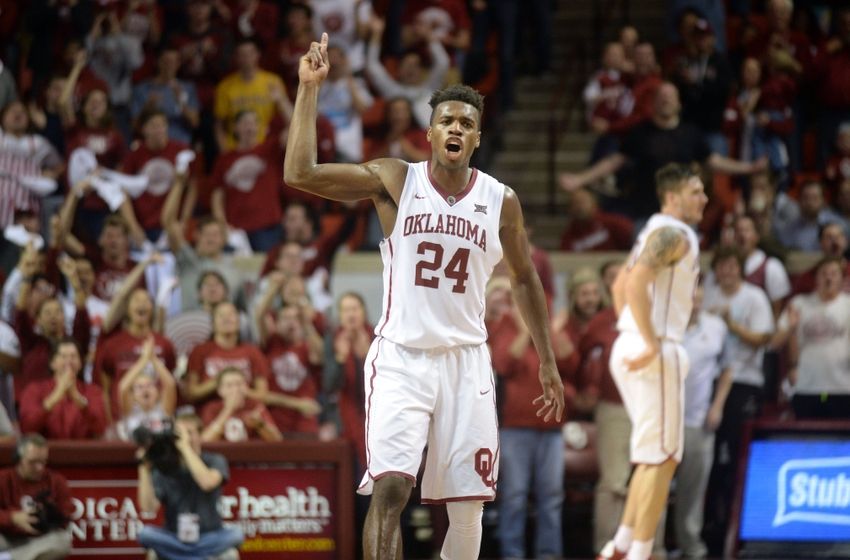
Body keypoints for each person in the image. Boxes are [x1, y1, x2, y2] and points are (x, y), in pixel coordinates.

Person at [284, 34, 564, 559]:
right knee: (391, 488)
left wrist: (546, 358)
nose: (456, 128)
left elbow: (525, 279)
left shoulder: (500, 201)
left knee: (468, 509)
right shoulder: (395, 179)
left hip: (466, 361)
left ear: (477, 138)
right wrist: (307, 90)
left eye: (467, 123)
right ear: (430, 132)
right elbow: (299, 174)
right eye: (447, 121)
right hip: (402, 360)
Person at [598, 163, 707, 560]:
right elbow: (639, 280)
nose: (705, 198)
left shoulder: (652, 230)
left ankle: (621, 545)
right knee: (664, 457)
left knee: (651, 455)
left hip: (630, 342)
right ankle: (641, 552)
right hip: (655, 346)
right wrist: (648, 339)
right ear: (673, 197)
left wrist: (630, 330)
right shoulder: (674, 234)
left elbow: (618, 284)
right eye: (696, 192)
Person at [137, 412, 243, 560]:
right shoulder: (164, 466)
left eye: (190, 433)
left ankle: (186, 555)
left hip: (209, 536)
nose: (184, 437)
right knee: (145, 534)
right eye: (180, 433)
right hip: (174, 538)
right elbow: (148, 507)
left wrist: (185, 448)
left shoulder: (215, 460)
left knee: (236, 534)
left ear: (200, 435)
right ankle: (196, 556)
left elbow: (206, 483)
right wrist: (144, 469)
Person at [772, 257, 850, 419]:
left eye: (834, 274)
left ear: (842, 278)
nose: (829, 278)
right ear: (816, 278)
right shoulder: (799, 303)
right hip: (806, 386)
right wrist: (791, 328)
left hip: (843, 387)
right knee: (807, 439)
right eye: (824, 274)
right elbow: (774, 343)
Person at [0, 434, 73, 559]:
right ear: (19, 458)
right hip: (8, 537)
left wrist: (50, 515)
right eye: (33, 462)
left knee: (63, 541)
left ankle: (8, 558)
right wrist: (13, 517)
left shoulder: (56, 480)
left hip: (41, 539)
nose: (39, 468)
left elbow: (66, 513)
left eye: (42, 462)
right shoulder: (3, 478)